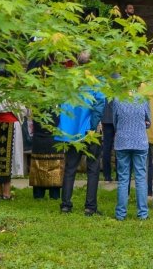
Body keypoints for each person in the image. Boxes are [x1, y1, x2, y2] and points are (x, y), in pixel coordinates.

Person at [58, 53, 105, 215]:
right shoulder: (95, 81)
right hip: (90, 130)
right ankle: (90, 207)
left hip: (71, 131)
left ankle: (65, 204)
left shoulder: (70, 81)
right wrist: (92, 126)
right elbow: (100, 103)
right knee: (93, 168)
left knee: (70, 167)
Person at [113, 92, 151, 221]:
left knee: (123, 178)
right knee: (140, 177)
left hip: (122, 141)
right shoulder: (143, 98)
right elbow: (149, 121)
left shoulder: (117, 99)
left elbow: (114, 121)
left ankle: (120, 213)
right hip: (140, 141)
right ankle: (143, 213)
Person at [0, 92, 23, 200]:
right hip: (10, 125)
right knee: (9, 158)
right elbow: (21, 111)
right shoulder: (12, 92)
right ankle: (6, 193)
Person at [29, 113, 63, 200]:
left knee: (43, 165)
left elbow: (30, 125)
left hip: (49, 137)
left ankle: (40, 194)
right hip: (52, 138)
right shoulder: (59, 103)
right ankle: (52, 194)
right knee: (47, 165)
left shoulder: (36, 103)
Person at [100, 98, 116, 181]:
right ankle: (120, 175)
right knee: (119, 146)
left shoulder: (104, 86)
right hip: (117, 117)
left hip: (106, 117)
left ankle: (107, 176)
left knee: (107, 147)